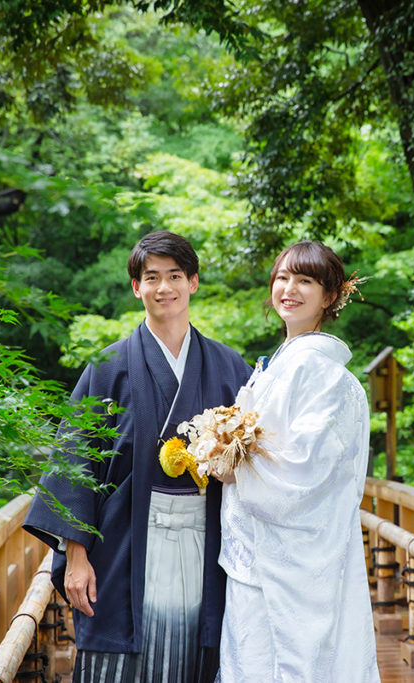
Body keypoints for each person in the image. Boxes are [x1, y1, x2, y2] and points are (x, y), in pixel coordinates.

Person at [23, 231, 252, 683]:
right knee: (117, 659)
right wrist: (76, 554)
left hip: (203, 541)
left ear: (193, 283)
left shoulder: (230, 369)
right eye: (152, 278)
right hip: (123, 542)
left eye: (174, 276)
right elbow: (75, 463)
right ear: (136, 287)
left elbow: (253, 462)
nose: (163, 288)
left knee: (195, 652)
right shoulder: (107, 368)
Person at [215, 240, 380, 682]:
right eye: (283, 277)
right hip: (255, 551)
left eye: (305, 280)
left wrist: (233, 466)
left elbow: (306, 468)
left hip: (286, 558)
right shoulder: (279, 364)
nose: (289, 288)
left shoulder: (320, 372)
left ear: (329, 296)